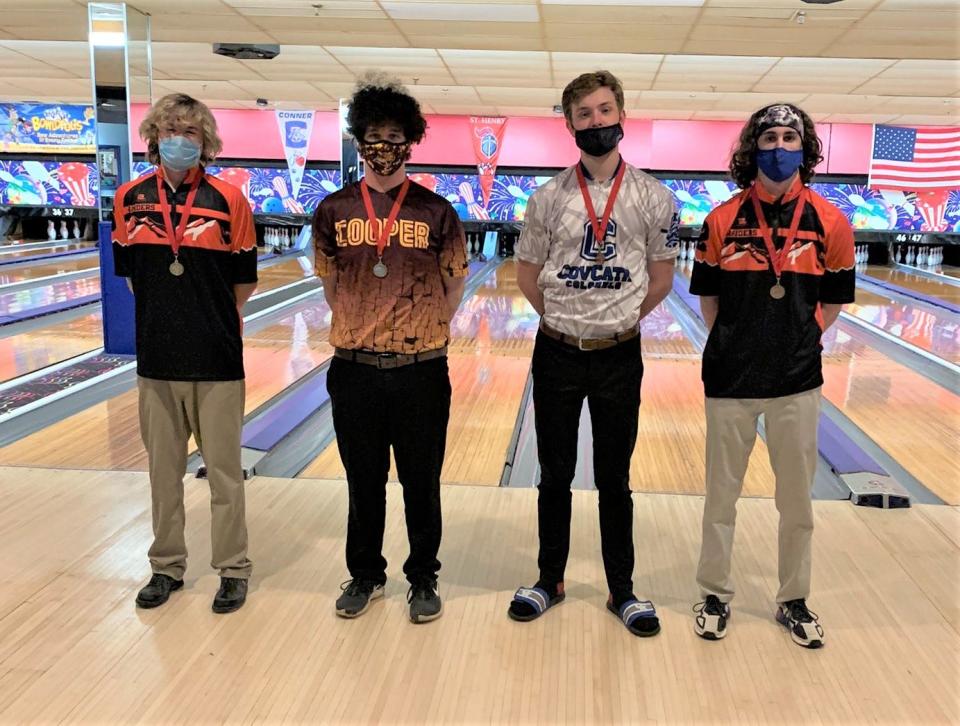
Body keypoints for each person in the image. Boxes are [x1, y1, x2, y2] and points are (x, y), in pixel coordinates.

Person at [509, 71, 679, 637]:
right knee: (553, 474)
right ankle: (548, 580)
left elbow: (661, 278)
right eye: (584, 114)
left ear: (621, 114)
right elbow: (528, 276)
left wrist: (619, 319)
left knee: (615, 476)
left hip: (618, 355)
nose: (596, 122)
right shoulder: (547, 197)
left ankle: (621, 590)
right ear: (569, 124)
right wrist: (566, 318)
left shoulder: (655, 197)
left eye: (605, 110)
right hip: (557, 351)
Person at [689, 103, 855, 649]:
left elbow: (832, 305)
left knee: (797, 502)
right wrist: (734, 345)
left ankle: (793, 599)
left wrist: (798, 340)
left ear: (804, 149)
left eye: (789, 138)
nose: (779, 147)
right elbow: (708, 301)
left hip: (796, 381)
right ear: (751, 148)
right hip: (731, 381)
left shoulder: (832, 223)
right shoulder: (720, 219)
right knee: (720, 497)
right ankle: (714, 592)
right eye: (769, 138)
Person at [312, 75, 469, 624]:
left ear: (411, 141)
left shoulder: (437, 212)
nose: (384, 145)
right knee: (363, 481)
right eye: (374, 134)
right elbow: (330, 285)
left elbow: (454, 286)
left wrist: (420, 330)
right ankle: (365, 574)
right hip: (353, 369)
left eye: (395, 135)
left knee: (422, 483)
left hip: (421, 371)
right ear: (359, 139)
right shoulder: (333, 210)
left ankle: (422, 577)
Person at [113, 93, 257, 613]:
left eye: (190, 133)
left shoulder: (230, 200)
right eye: (170, 129)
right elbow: (131, 278)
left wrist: (204, 318)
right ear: (154, 137)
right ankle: (165, 567)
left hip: (217, 361)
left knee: (224, 474)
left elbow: (243, 285)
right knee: (162, 474)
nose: (179, 139)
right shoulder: (129, 199)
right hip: (157, 362)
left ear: (206, 142)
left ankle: (233, 569)